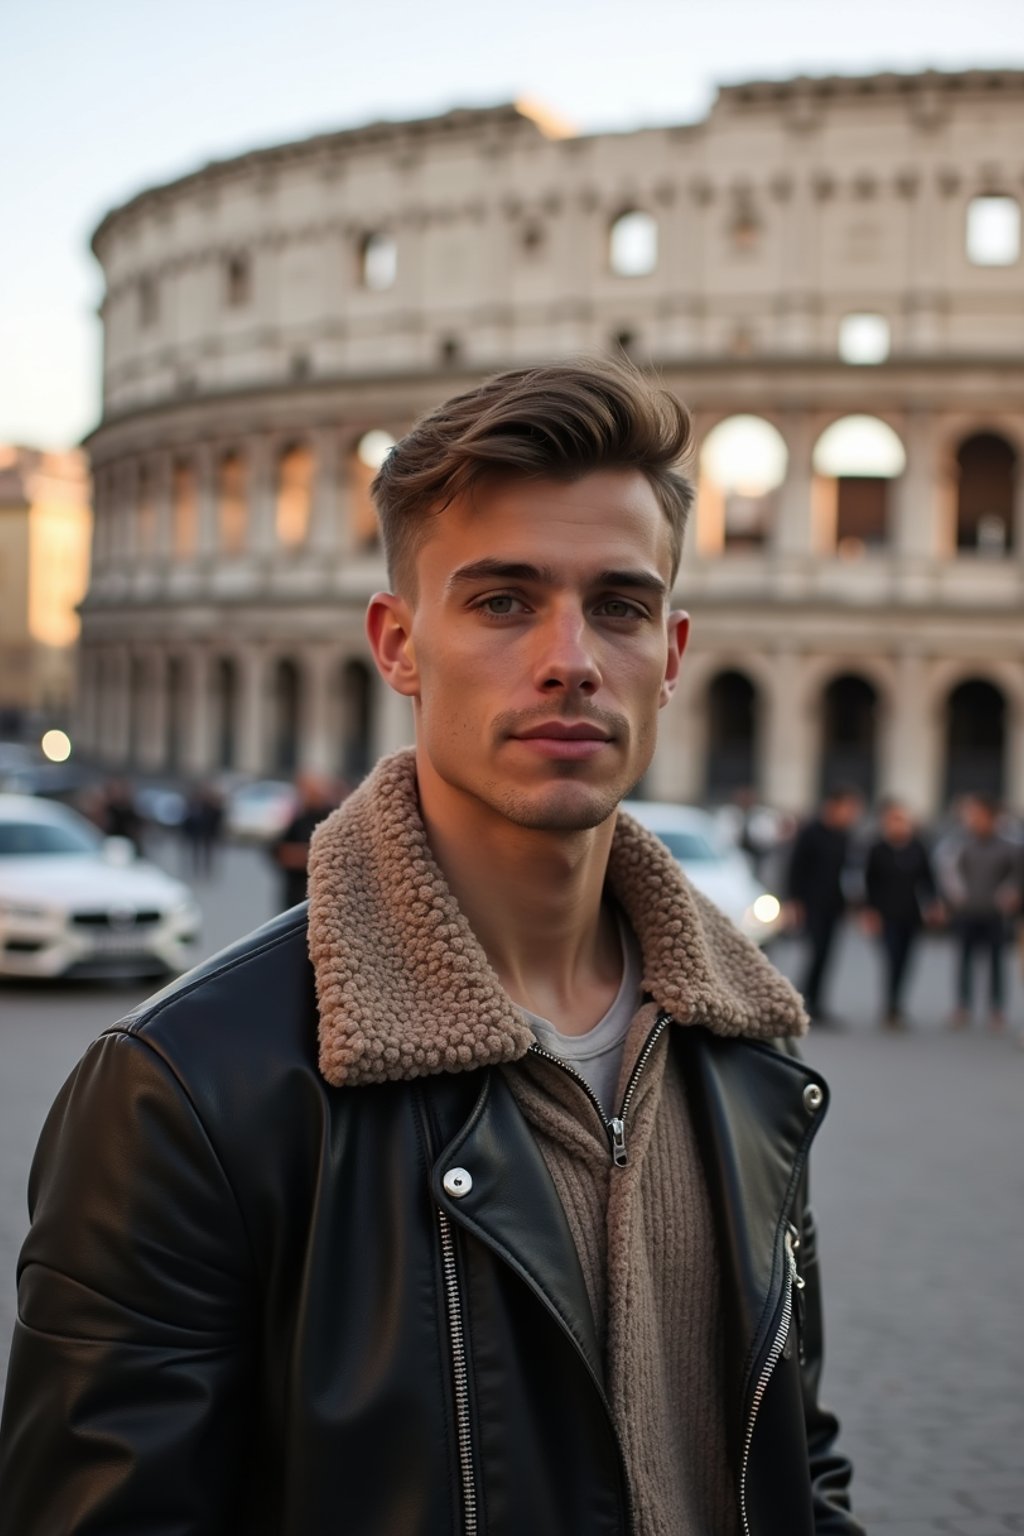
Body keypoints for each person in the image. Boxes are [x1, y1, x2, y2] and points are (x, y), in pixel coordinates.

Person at [0, 360, 862, 1535]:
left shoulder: (750, 1059)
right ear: (399, 645)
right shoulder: (187, 1092)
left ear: (669, 653)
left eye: (618, 605)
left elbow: (798, 1468)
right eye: (503, 601)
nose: (570, 657)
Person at [937, 793, 1021, 1030]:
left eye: (981, 816)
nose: (976, 820)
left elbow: (1017, 875)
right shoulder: (960, 844)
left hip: (995, 913)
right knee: (964, 960)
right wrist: (952, 897)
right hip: (967, 911)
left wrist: (1010, 893)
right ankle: (963, 1006)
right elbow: (948, 873)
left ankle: (996, 1009)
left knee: (996, 962)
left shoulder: (1010, 847)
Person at [785, 786, 864, 1025]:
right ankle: (800, 1002)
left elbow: (851, 873)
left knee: (828, 955)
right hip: (812, 905)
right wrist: (795, 902)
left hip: (834, 905)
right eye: (848, 808)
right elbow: (795, 869)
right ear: (833, 807)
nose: (851, 814)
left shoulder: (845, 836)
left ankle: (817, 1003)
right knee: (815, 953)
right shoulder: (811, 833)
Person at [861, 799, 940, 1028]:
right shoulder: (877, 849)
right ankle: (890, 1005)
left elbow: (928, 879)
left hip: (911, 914)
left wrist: (934, 904)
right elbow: (869, 882)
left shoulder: (917, 848)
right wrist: (869, 912)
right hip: (885, 914)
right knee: (891, 958)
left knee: (906, 961)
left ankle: (897, 1004)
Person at [270, 772, 337, 909]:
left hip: (323, 895)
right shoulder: (295, 817)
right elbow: (278, 851)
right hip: (295, 891)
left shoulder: (333, 818)